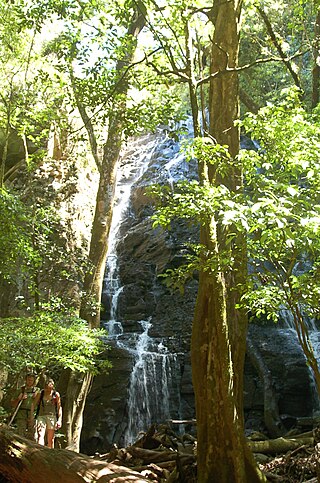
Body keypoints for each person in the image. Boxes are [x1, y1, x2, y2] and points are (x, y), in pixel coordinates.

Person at [32, 377, 62, 448]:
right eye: (47, 388)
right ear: (45, 387)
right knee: (40, 435)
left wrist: (59, 420)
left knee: (50, 439)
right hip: (41, 416)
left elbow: (59, 407)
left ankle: (51, 454)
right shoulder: (41, 393)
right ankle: (40, 451)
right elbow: (33, 404)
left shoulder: (56, 395)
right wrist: (31, 416)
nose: (49, 390)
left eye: (50, 388)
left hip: (52, 417)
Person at [10, 372, 40, 440]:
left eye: (31, 380)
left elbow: (40, 404)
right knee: (21, 434)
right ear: (25, 380)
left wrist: (36, 398)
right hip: (21, 414)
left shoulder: (37, 391)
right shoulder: (21, 390)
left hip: (33, 414)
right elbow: (12, 404)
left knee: (32, 434)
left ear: (34, 381)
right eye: (28, 380)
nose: (29, 382)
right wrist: (19, 398)